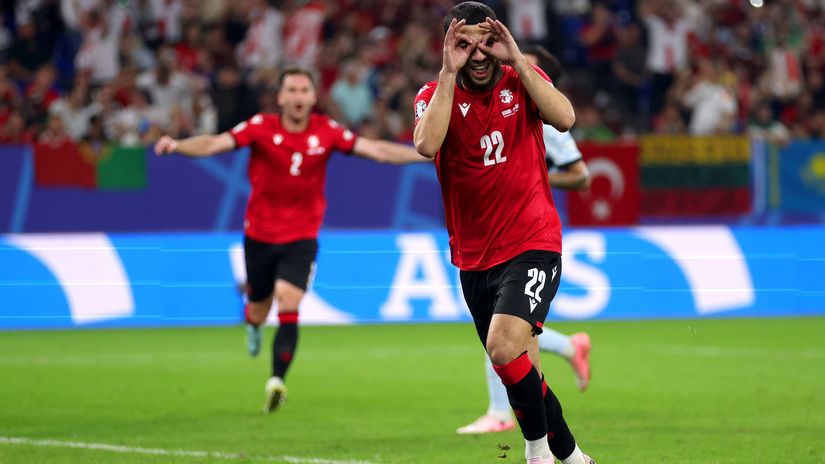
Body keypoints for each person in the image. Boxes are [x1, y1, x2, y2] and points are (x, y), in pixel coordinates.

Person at [155, 67, 426, 413]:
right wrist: (177, 145)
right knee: (258, 309)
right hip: (259, 235)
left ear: (313, 97)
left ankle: (276, 380)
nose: (298, 97)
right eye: (292, 90)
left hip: (302, 236)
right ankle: (253, 325)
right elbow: (214, 143)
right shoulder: (260, 127)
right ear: (281, 97)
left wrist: (422, 152)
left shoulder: (327, 131)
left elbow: (376, 150)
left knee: (288, 300)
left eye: (304, 91)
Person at [413, 3, 594, 464]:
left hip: (533, 241)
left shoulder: (521, 80)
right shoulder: (434, 93)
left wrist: (517, 58)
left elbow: (565, 119)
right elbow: (426, 144)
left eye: (485, 42)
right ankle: (574, 458)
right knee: (517, 367)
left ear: (499, 40)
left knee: (502, 346)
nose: (477, 54)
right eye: (465, 43)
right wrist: (448, 73)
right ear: (450, 46)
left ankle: (537, 454)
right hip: (474, 257)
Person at [457, 45, 593, 436]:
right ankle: (567, 355)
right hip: (492, 235)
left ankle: (501, 413)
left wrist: (530, 175)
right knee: (509, 334)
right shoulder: (494, 107)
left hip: (531, 234)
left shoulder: (541, 117)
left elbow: (581, 175)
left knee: (503, 334)